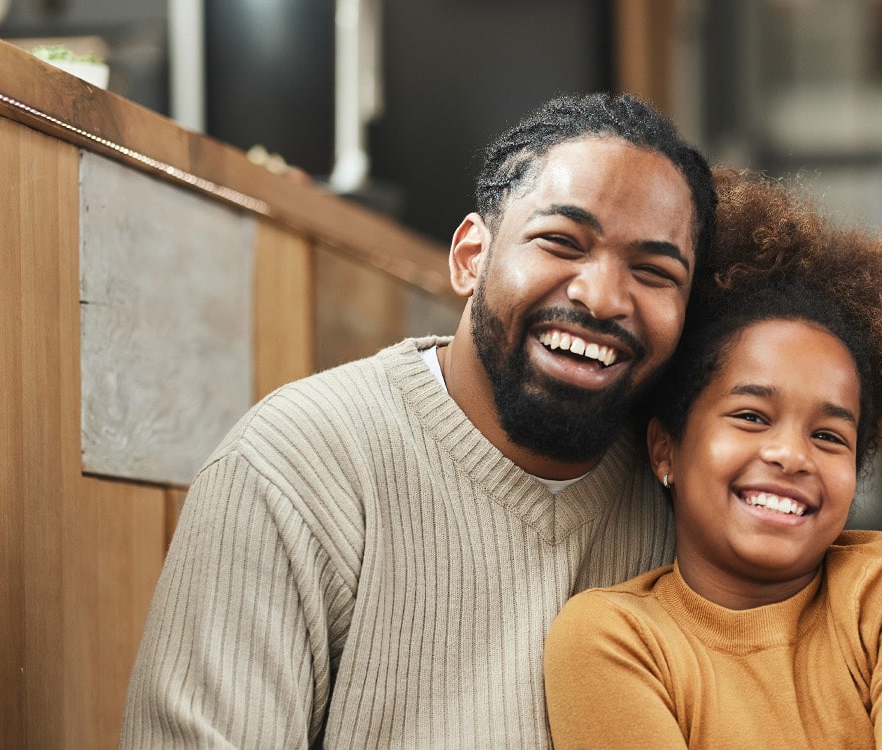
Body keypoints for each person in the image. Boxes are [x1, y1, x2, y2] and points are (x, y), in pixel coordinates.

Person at [121, 93, 728, 747]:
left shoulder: (685, 500)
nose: (603, 297)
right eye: (560, 241)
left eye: (654, 272)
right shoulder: (293, 468)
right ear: (471, 257)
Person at [542, 171, 882, 749]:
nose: (791, 456)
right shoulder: (613, 638)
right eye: (751, 416)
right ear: (665, 449)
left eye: (830, 436)